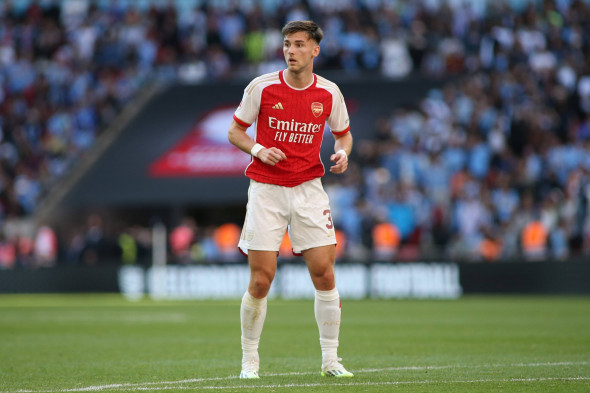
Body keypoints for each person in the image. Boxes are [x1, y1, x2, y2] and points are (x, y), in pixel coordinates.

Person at [227, 20, 354, 379]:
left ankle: (331, 360)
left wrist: (343, 154)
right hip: (267, 189)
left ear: (315, 50)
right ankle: (249, 360)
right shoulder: (263, 87)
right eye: (287, 44)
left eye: (299, 45)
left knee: (324, 273)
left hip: (308, 189)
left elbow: (344, 136)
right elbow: (235, 130)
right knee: (262, 280)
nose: (291, 51)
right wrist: (257, 148)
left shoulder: (329, 93)